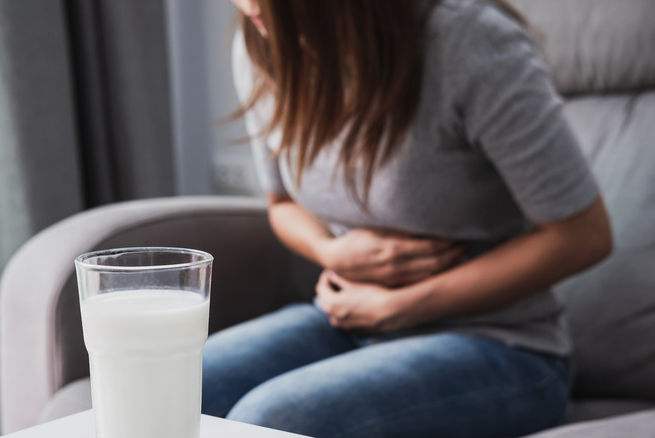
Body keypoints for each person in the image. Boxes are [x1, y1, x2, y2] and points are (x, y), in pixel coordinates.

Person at [202, 0, 613, 437]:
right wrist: (332, 251)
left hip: (506, 345)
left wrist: (398, 308)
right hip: (348, 319)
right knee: (169, 382)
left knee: (269, 421)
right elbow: (282, 204)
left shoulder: (467, 40)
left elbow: (584, 235)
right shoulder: (264, 43)